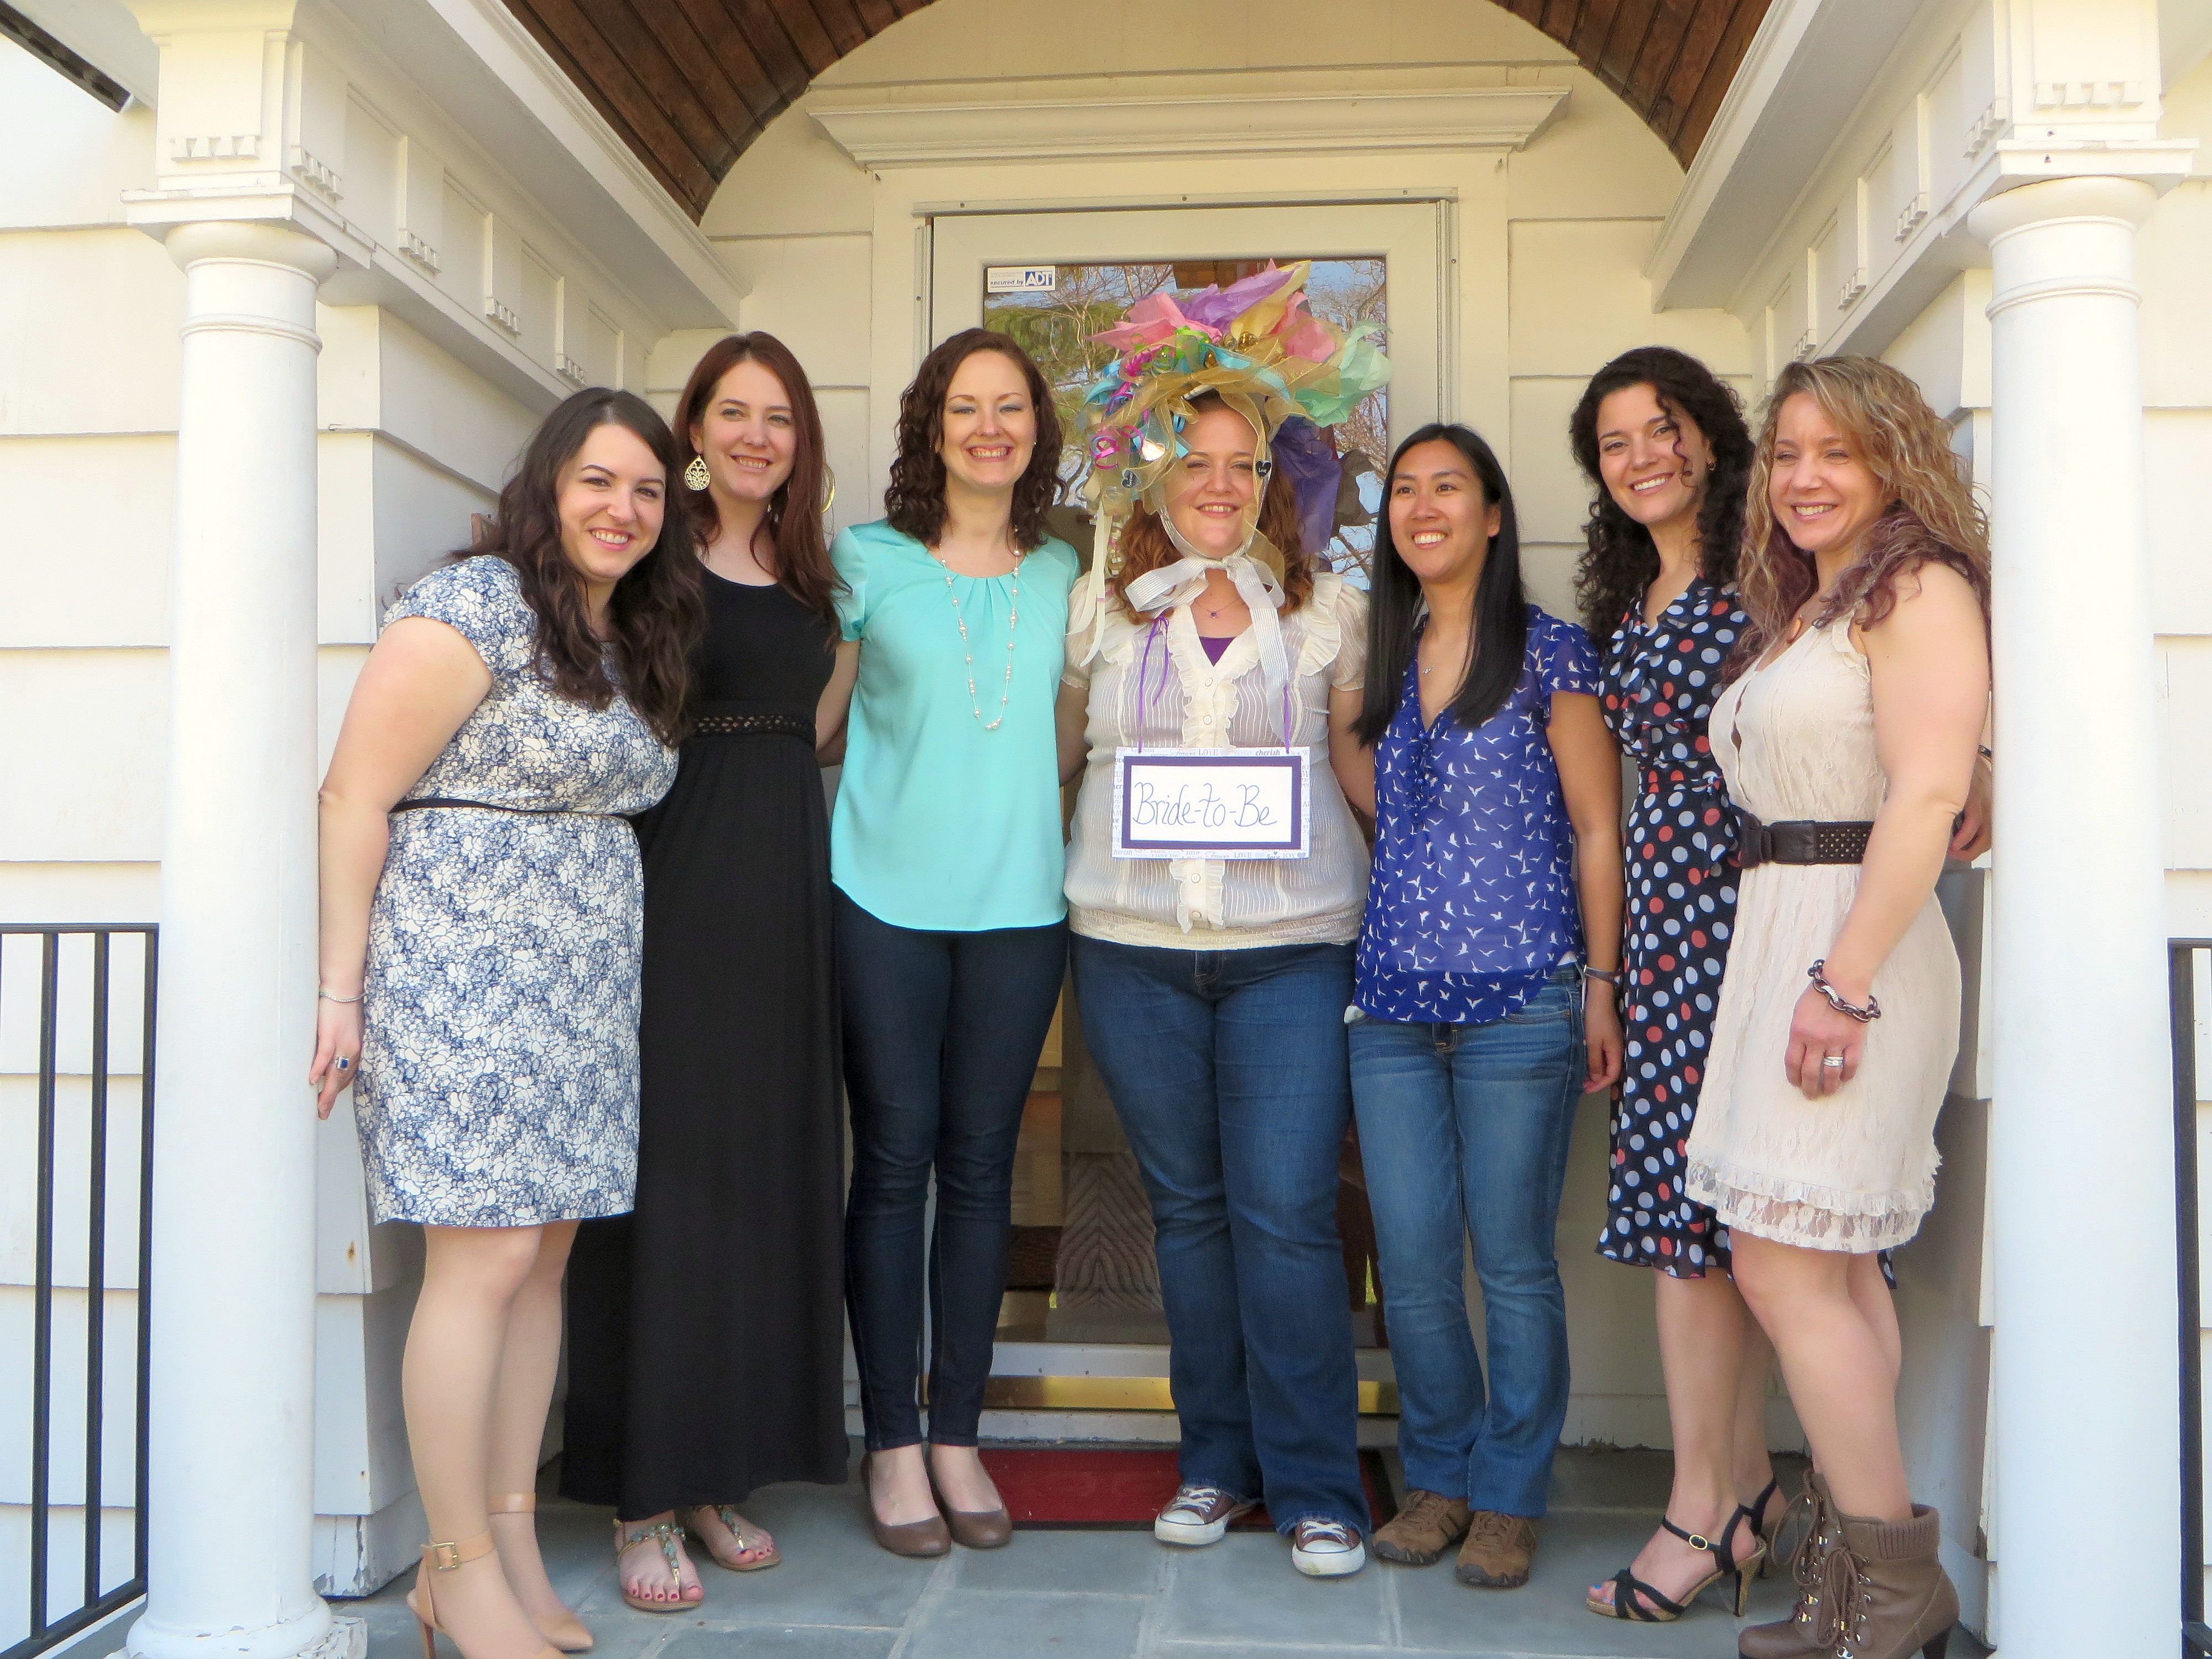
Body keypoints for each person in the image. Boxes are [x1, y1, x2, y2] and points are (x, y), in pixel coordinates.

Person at [309, 388, 697, 1659]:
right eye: (598, 481)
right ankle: (454, 1567)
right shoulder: (472, 605)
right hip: (462, 972)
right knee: (481, 1263)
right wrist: (339, 990)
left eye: (646, 490)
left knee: (541, 1263)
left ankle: (515, 1542)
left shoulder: (627, 632)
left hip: (583, 990)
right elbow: (353, 796)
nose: (622, 510)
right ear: (548, 485)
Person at [1053, 263, 1391, 1579]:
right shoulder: (1096, 610)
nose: (1216, 484)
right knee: (1187, 1215)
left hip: (1288, 953)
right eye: (1192, 462)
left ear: (1269, 481)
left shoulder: (1325, 615)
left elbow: (1359, 774)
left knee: (1286, 1213)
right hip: (1131, 951)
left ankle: (1315, 1488)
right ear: (1154, 477)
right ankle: (1214, 1463)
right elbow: (1053, 765)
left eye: (1241, 465)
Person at [1688, 357, 1989, 1659]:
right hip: (1787, 935)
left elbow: (1924, 794)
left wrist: (1842, 983)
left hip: (1849, 949)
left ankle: (1892, 1585)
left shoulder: (1916, 588)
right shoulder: (1817, 601)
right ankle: (1858, 1587)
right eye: (1788, 454)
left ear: (1892, 463)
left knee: (1778, 1263)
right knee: (1828, 1265)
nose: (1804, 478)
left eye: (1837, 453)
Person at [561, 334, 857, 1610]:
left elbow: (815, 725)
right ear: (693, 428)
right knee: (668, 1187)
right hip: (673, 889)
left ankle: (714, 1472)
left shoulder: (809, 571)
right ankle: (642, 1493)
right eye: (731, 413)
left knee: (757, 1181)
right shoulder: (654, 555)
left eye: (776, 417)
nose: (753, 436)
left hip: (784, 896)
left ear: (800, 439)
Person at [1349, 424, 1626, 1595]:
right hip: (1390, 1008)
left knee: (1510, 1263)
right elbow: (1372, 795)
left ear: (1494, 514)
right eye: (1404, 491)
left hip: (1523, 998)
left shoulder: (1552, 653)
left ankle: (1509, 1494)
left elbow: (1598, 827)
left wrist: (1601, 984)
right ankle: (1439, 1479)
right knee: (1412, 1267)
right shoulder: (1380, 656)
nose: (1423, 508)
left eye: (1448, 487)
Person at [833, 328, 1081, 1556]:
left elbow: (1071, 732)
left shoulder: (1066, 570)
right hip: (879, 899)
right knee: (893, 1165)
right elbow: (815, 724)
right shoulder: (864, 560)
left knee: (982, 1172)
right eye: (966, 407)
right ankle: (890, 1444)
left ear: (1037, 429)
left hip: (1020, 910)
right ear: (931, 427)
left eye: (1011, 407)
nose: (990, 428)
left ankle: (957, 1438)